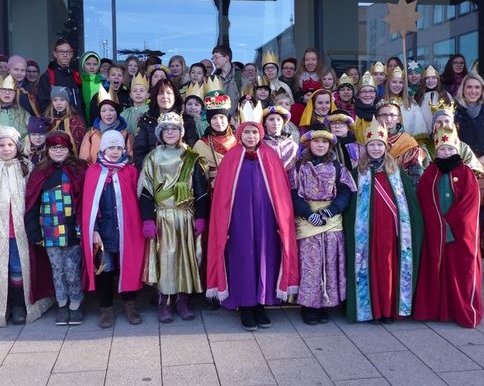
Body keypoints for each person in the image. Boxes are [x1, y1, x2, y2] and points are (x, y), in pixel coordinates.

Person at [206, 102, 299, 331]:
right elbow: (222, 196)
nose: (250, 136)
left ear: (261, 132)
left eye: (254, 131)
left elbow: (281, 192)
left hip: (267, 220)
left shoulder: (271, 156)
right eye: (246, 132)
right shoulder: (231, 157)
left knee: (265, 256)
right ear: (239, 133)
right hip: (238, 221)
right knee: (243, 257)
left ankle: (262, 304)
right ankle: (246, 306)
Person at [344, 117, 423, 323]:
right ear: (366, 147)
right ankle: (369, 308)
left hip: (391, 233)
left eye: (380, 145)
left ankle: (388, 309)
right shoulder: (357, 173)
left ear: (386, 147)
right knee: (369, 267)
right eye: (372, 145)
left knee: (388, 268)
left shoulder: (397, 174)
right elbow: (350, 207)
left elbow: (410, 205)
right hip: (367, 234)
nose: (376, 149)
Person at [138, 112, 210, 322]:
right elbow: (145, 191)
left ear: (181, 132)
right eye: (166, 129)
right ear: (160, 133)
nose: (170, 132)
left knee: (185, 258)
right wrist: (147, 220)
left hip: (186, 216)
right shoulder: (152, 157)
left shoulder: (191, 158)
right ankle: (164, 300)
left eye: (174, 129)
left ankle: (182, 299)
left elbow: (201, 190)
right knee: (165, 258)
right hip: (163, 216)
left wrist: (201, 217)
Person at [0, 126, 52, 327]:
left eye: (10, 144)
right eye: (1, 145)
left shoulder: (26, 167)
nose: (5, 149)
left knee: (17, 266)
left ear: (17, 146)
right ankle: (2, 306)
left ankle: (20, 304)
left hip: (18, 229)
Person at [413, 124, 483, 328]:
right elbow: (424, 200)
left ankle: (462, 310)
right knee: (437, 268)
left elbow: (470, 203)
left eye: (450, 149)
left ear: (457, 149)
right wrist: (437, 222)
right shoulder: (430, 172)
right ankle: (437, 309)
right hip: (436, 231)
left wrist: (450, 221)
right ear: (436, 150)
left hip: (460, 233)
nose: (446, 152)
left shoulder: (466, 172)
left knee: (461, 270)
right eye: (442, 149)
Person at [290, 123, 355, 324]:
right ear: (308, 144)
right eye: (316, 141)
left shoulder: (338, 168)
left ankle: (326, 301)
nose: (320, 145)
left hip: (331, 220)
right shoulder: (298, 167)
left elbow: (345, 192)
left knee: (330, 261)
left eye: (324, 142)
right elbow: (292, 193)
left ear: (330, 145)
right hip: (308, 219)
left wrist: (330, 210)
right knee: (310, 263)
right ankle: (309, 305)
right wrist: (308, 214)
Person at [81, 130, 146, 328]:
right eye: (111, 147)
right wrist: (94, 229)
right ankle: (106, 308)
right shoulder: (93, 172)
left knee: (129, 266)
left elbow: (136, 199)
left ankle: (130, 304)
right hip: (103, 230)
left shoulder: (130, 171)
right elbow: (90, 205)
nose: (116, 151)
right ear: (103, 149)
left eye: (119, 147)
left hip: (127, 229)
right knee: (105, 269)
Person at [25, 130, 88, 326]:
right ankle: (62, 304)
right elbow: (32, 204)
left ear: (69, 149)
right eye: (54, 148)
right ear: (48, 150)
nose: (58, 151)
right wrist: (34, 232)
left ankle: (75, 305)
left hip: (73, 229)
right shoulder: (39, 172)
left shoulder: (80, 169)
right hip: (50, 231)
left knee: (72, 269)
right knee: (57, 269)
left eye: (62, 147)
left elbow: (87, 200)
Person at [133, 79, 199, 168]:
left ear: (175, 96)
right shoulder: (146, 120)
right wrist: (152, 171)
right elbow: (139, 153)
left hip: (181, 173)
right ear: (155, 97)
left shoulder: (186, 120)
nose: (165, 96)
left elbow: (193, 149)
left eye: (169, 93)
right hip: (152, 173)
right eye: (160, 93)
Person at [454, 73, 484, 170]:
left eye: (477, 87)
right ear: (463, 89)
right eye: (469, 87)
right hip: (459, 166)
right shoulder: (453, 111)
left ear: (482, 90)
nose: (473, 91)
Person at [192, 88, 237, 188]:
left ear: (228, 119)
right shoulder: (200, 145)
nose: (219, 121)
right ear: (209, 121)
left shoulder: (238, 141)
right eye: (214, 118)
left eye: (222, 117)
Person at [376, 99, 426, 185]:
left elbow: (416, 176)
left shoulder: (409, 143)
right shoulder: (371, 141)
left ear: (398, 118)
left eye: (392, 115)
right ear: (377, 118)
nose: (388, 119)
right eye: (384, 115)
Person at [80, 86, 133, 165]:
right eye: (103, 111)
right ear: (99, 113)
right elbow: (84, 161)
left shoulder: (126, 135)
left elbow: (130, 161)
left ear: (117, 112)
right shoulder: (91, 135)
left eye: (111, 110)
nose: (108, 114)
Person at [37, 38, 84, 118]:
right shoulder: (47, 76)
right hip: (59, 123)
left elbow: (81, 102)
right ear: (55, 54)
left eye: (68, 52)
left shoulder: (75, 75)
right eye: (61, 52)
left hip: (77, 122)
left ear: (72, 54)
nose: (65, 55)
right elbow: (43, 104)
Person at [383, 67, 430, 145]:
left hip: (408, 146)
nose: (397, 85)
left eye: (400, 82)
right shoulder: (382, 103)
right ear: (388, 83)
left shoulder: (411, 104)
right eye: (394, 82)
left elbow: (419, 127)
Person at [44, 85, 87, 155]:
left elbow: (82, 144)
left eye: (62, 100)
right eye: (55, 100)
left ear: (67, 101)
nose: (58, 103)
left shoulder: (76, 120)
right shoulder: (48, 121)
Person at [414, 66, 453, 132]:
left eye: (433, 78)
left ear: (438, 79)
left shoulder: (446, 95)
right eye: (427, 78)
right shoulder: (418, 96)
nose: (430, 81)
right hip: (423, 134)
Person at [262, 104, 298, 172]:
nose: (275, 123)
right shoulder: (261, 144)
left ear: (283, 122)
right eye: (271, 119)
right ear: (265, 123)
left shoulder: (291, 144)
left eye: (278, 119)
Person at [212, 45, 242, 117]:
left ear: (226, 58)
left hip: (236, 122)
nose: (213, 61)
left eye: (216, 57)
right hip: (219, 122)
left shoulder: (240, 77)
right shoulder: (213, 79)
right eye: (212, 58)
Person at [352, 72, 378, 143]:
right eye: (363, 91)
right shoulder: (352, 113)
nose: (367, 94)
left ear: (376, 94)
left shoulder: (381, 112)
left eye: (371, 91)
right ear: (358, 94)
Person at [79, 51, 102, 119]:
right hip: (81, 120)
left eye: (95, 64)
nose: (92, 67)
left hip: (99, 121)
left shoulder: (104, 81)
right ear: (83, 64)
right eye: (88, 64)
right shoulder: (78, 80)